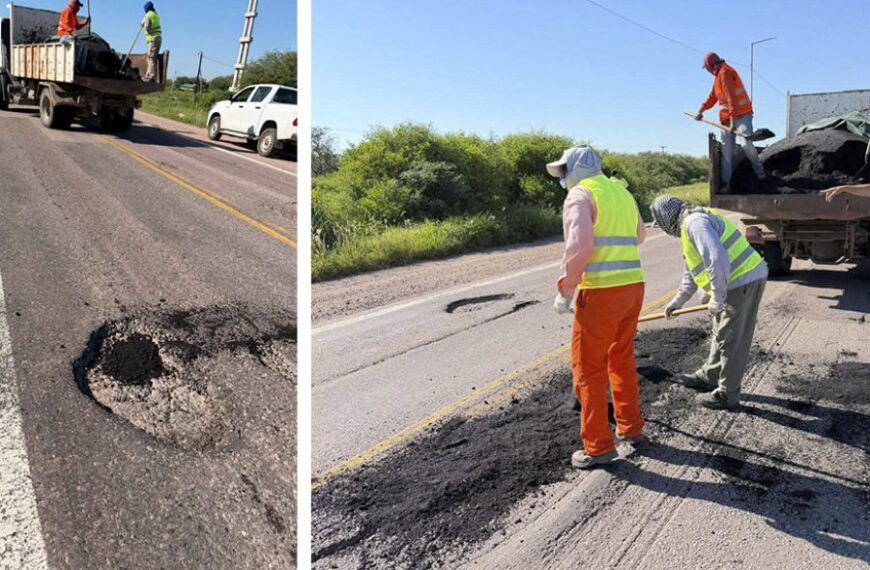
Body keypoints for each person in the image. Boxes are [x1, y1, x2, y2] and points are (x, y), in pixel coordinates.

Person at [547, 146, 647, 469]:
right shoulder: (621, 193)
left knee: (588, 368)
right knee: (621, 358)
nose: (562, 177)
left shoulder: (580, 195)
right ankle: (631, 428)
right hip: (633, 287)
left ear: (575, 169)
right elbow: (640, 236)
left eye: (564, 171)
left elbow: (580, 247)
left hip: (602, 293)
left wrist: (566, 290)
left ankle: (598, 446)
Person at [650, 195, 767, 410]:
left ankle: (727, 394)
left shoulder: (695, 224)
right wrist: (677, 302)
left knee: (732, 339)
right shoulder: (688, 226)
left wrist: (717, 296)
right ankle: (710, 375)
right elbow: (692, 272)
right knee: (720, 332)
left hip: (743, 280)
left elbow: (716, 257)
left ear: (666, 219)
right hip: (734, 282)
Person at [694, 52, 766, 187]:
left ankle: (760, 173)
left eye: (706, 68)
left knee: (746, 143)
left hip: (742, 116)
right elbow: (712, 98)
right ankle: (726, 184)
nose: (707, 71)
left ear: (710, 66)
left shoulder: (725, 73)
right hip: (726, 120)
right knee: (726, 152)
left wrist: (733, 121)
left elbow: (731, 98)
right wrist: (700, 111)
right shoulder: (717, 78)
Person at [140, 2, 162, 82]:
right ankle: (148, 75)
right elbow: (145, 21)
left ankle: (151, 76)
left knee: (151, 57)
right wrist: (143, 21)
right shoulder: (155, 14)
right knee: (151, 57)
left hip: (153, 39)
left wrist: (144, 25)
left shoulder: (148, 15)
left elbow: (147, 27)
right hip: (158, 38)